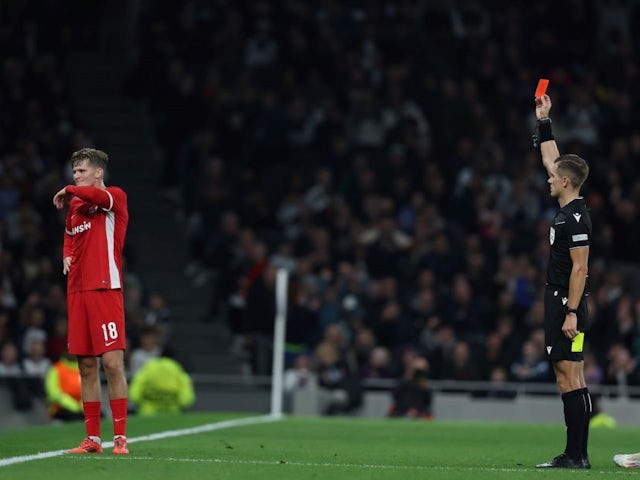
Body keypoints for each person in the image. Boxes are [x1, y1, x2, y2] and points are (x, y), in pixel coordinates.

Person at [53, 148, 130, 455]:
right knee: (85, 365)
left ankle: (121, 437)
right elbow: (70, 233)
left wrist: (72, 190)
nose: (76, 177)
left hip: (105, 289)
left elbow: (97, 199)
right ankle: (93, 439)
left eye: (82, 171)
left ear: (98, 172)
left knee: (112, 362)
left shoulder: (114, 197)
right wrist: (66, 254)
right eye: (74, 173)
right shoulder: (74, 206)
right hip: (78, 292)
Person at [533, 95, 593, 469]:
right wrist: (544, 122)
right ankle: (577, 454)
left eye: (554, 176)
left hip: (565, 303)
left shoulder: (574, 221)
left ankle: (576, 455)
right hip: (563, 301)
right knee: (573, 374)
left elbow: (580, 270)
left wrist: (570, 312)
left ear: (566, 182)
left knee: (567, 376)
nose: (549, 177)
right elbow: (548, 157)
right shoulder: (568, 211)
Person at [129, 356, 195, 415]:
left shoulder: (148, 368)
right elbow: (186, 399)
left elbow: (134, 394)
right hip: (172, 415)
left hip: (147, 414)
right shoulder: (177, 370)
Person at [45, 352, 83, 422]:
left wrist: (82, 405)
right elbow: (54, 393)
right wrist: (74, 406)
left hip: (81, 406)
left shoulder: (82, 368)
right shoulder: (56, 368)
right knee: (76, 419)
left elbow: (88, 389)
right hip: (59, 407)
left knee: (100, 417)